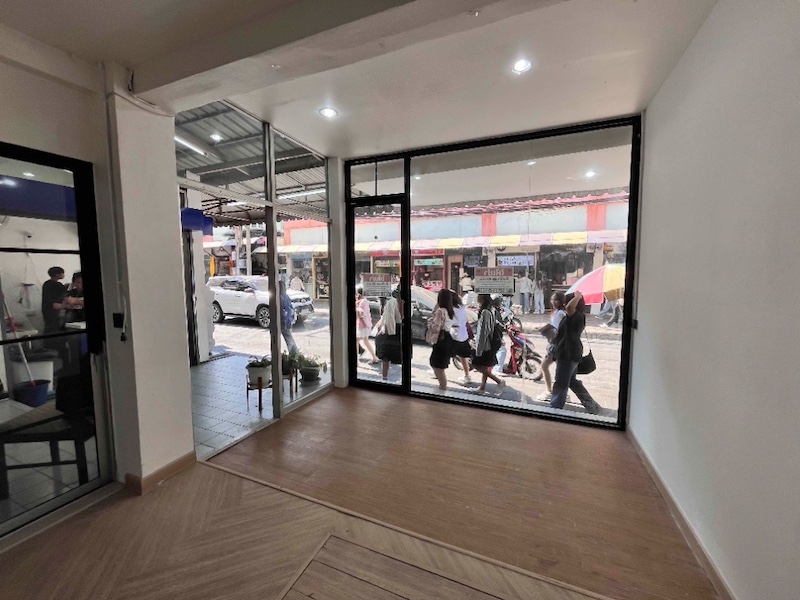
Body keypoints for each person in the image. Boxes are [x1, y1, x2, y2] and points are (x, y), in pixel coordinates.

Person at [549, 291, 602, 414]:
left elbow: (569, 308)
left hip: (568, 353)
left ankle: (555, 407)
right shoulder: (574, 316)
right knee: (572, 382)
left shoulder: (575, 315)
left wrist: (578, 296)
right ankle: (592, 406)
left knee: (561, 382)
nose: (565, 303)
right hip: (570, 352)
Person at [473, 294, 506, 396]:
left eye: (479, 296)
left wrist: (479, 349)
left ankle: (499, 381)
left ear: (482, 298)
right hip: (491, 342)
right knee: (485, 366)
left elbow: (484, 332)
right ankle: (482, 388)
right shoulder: (491, 309)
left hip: (486, 344)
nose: (477, 298)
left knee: (476, 365)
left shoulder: (485, 312)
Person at [537, 291, 567, 402]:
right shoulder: (560, 312)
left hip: (555, 345)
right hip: (557, 345)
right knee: (560, 371)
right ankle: (560, 393)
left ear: (560, 301)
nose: (553, 302)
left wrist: (548, 330)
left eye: (555, 300)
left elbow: (557, 330)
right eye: (552, 300)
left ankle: (549, 391)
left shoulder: (560, 314)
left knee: (544, 366)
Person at [425, 289, 455, 390]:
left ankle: (443, 387)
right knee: (439, 365)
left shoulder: (440, 311)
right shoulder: (450, 311)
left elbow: (436, 327)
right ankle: (442, 386)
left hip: (440, 340)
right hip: (447, 338)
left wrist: (429, 323)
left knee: (436, 364)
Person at [375, 283, 404, 381]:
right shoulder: (406, 302)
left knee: (386, 356)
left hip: (393, 330)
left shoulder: (392, 302)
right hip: (401, 330)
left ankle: (385, 377)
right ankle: (403, 380)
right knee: (400, 355)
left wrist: (388, 332)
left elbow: (389, 319)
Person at [450, 292, 472, 384]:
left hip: (455, 334)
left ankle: (438, 371)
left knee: (444, 352)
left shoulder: (452, 309)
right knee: (463, 356)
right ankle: (467, 376)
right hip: (463, 334)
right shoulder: (461, 308)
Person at [355, 287, 378, 363]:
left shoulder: (362, 302)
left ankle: (356, 360)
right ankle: (374, 357)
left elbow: (361, 313)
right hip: (364, 324)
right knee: (365, 341)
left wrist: (356, 307)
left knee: (359, 341)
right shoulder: (363, 301)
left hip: (363, 325)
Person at [41, 266, 67, 333]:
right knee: (54, 326)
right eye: (62, 273)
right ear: (57, 274)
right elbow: (64, 292)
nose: (63, 275)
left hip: (47, 308)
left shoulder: (47, 283)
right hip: (52, 308)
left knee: (49, 325)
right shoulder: (55, 284)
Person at [278, 280, 298, 354]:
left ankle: (294, 354)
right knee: (289, 338)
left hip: (284, 322)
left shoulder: (279, 298)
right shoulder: (286, 296)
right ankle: (295, 354)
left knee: (289, 339)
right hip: (289, 320)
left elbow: (280, 311)